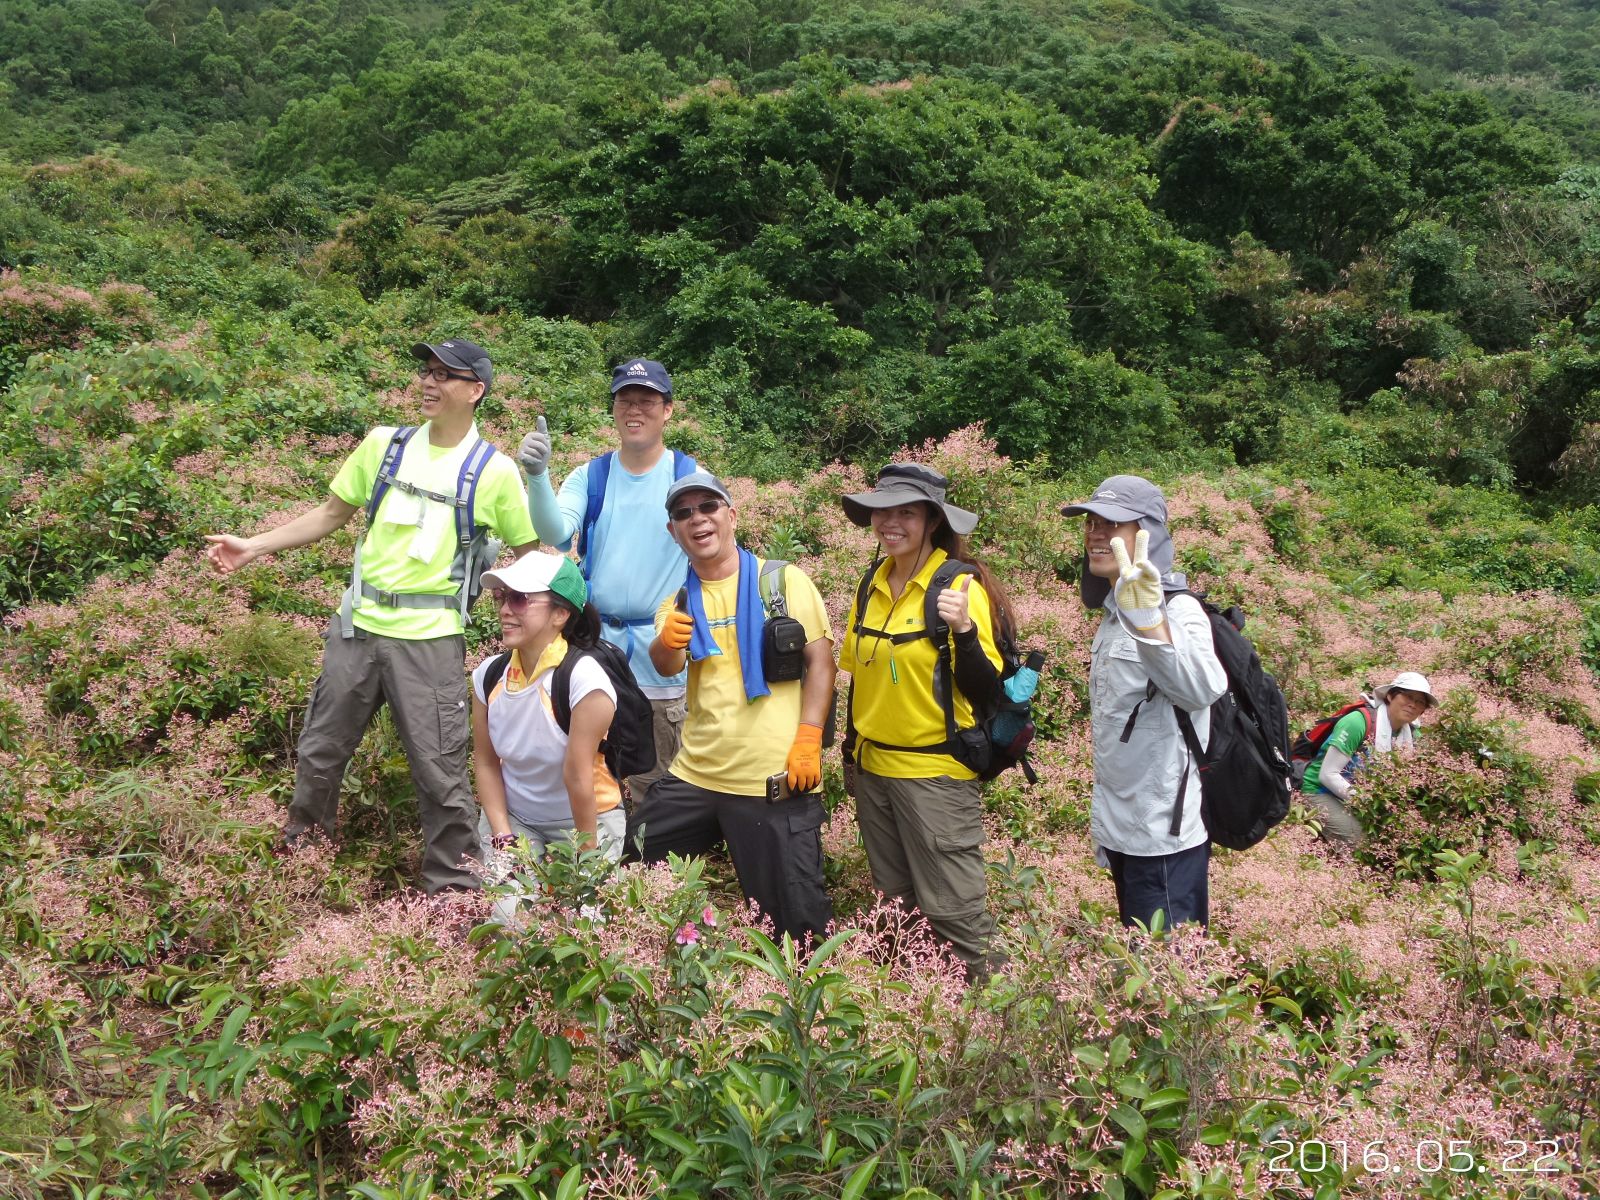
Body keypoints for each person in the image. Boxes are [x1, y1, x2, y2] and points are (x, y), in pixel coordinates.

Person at [205, 339, 538, 893]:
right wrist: (253, 546)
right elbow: (330, 513)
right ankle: (303, 862)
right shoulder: (384, 445)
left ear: (476, 391)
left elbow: (529, 553)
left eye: (445, 375)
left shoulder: (495, 472)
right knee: (320, 751)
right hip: (356, 630)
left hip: (431, 640)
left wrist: (527, 625)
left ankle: (453, 892)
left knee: (440, 772)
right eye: (427, 371)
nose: (429, 382)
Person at [626, 471, 836, 944]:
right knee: (627, 865)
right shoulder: (678, 601)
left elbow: (821, 663)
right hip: (696, 776)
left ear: (732, 515)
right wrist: (667, 640)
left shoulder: (781, 582)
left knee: (797, 927)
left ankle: (801, 992)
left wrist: (809, 738)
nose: (697, 519)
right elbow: (665, 664)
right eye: (684, 513)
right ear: (673, 531)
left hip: (773, 781)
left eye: (708, 507)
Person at [836, 463, 1010, 980]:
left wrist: (964, 631)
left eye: (906, 513)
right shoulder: (871, 584)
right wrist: (848, 751)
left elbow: (987, 688)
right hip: (874, 770)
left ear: (933, 521)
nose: (890, 523)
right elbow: (859, 677)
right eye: (882, 511)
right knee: (895, 906)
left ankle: (998, 1013)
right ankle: (918, 1006)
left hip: (935, 775)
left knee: (956, 911)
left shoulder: (958, 586)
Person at [517, 358, 695, 803]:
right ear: (613, 410)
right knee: (591, 780)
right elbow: (555, 532)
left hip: (661, 655)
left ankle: (647, 852)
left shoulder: (688, 477)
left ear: (668, 410)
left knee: (659, 792)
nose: (634, 410)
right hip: (595, 655)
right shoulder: (591, 476)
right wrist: (537, 478)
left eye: (647, 401)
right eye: (624, 400)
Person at [1063, 475, 1227, 931]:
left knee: (1168, 966)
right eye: (1091, 523)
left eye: (1111, 524)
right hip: (1121, 828)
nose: (1095, 533)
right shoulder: (1113, 612)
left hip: (1163, 840)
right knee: (1139, 955)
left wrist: (1149, 620)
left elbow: (1203, 688)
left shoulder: (1178, 610)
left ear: (1147, 535)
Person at [472, 552, 625, 866]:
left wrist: (585, 860)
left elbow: (578, 776)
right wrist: (503, 838)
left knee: (585, 898)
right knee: (508, 897)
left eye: (519, 599)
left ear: (560, 614)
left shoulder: (584, 680)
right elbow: (486, 763)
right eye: (501, 597)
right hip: (515, 818)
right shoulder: (487, 676)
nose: (504, 610)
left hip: (588, 820)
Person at [1301, 671, 1435, 847]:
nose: (1413, 705)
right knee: (1359, 841)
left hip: (1359, 797)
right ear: (1390, 696)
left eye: (1420, 702)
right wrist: (1366, 801)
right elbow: (1327, 775)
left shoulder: (1412, 735)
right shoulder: (1358, 722)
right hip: (1319, 791)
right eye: (1408, 696)